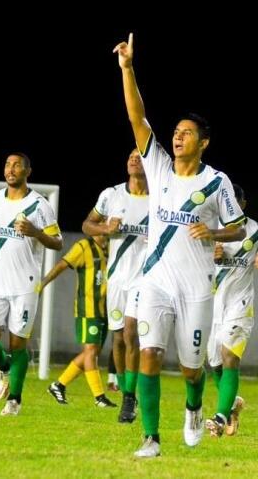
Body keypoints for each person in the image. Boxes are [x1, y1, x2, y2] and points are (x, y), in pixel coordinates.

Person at [113, 33, 246, 458]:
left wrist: (215, 233)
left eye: (186, 134)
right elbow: (138, 119)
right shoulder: (158, 165)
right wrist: (128, 69)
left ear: (203, 142)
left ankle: (193, 407)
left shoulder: (216, 182)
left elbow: (239, 229)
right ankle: (151, 438)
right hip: (156, 281)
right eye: (176, 132)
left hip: (197, 287)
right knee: (149, 353)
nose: (177, 137)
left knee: (192, 370)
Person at [0, 152, 63, 416]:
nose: (11, 169)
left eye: (17, 165)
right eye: (8, 165)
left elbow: (57, 242)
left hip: (25, 284)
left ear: (27, 171)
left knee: (18, 345)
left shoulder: (40, 205)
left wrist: (35, 232)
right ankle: (4, 367)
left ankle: (15, 400)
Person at [82, 148, 149, 423]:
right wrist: (105, 230)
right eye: (130, 155)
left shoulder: (160, 200)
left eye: (139, 156)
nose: (133, 159)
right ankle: (125, 391)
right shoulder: (111, 195)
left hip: (144, 279)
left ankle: (130, 398)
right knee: (119, 338)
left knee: (132, 333)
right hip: (117, 278)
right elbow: (87, 224)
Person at [205, 184, 258, 438]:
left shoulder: (257, 230)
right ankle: (232, 405)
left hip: (240, 303)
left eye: (236, 202)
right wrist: (210, 255)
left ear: (243, 204)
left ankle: (220, 418)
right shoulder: (208, 228)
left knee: (229, 357)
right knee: (214, 363)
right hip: (210, 305)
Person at [39, 233, 117, 408]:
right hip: (87, 309)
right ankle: (99, 397)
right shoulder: (83, 246)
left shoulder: (112, 246)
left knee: (92, 353)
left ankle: (58, 385)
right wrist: (43, 283)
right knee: (90, 351)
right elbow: (62, 264)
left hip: (105, 309)